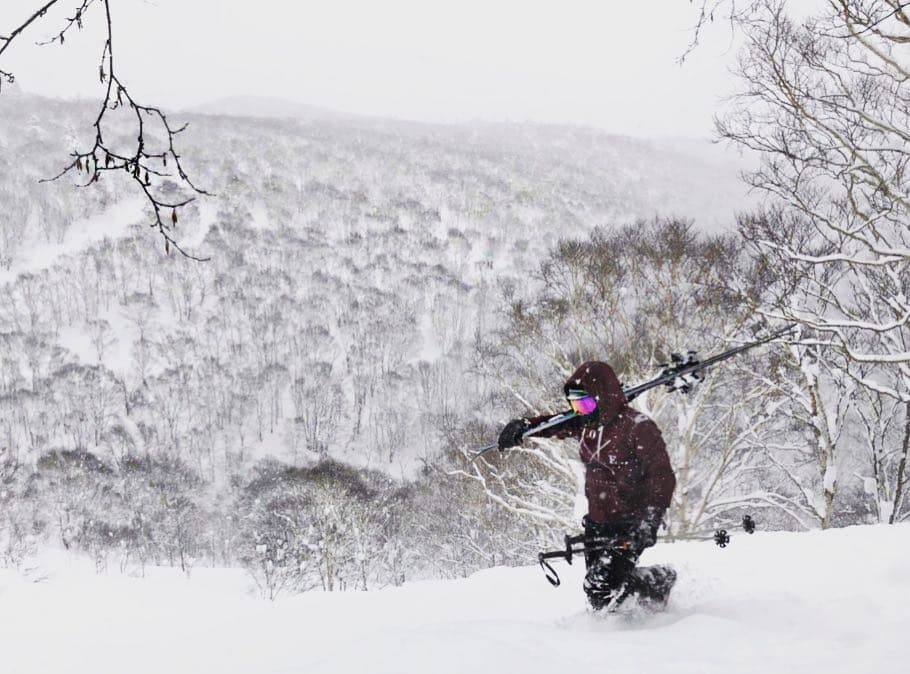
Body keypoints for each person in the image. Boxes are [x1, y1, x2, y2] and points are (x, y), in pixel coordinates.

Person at [497, 360, 677, 611]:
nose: (580, 410)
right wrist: (525, 428)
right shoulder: (584, 424)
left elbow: (662, 476)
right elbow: (555, 423)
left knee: (600, 588)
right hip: (598, 522)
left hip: (631, 523)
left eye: (586, 403)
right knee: (602, 596)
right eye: (575, 404)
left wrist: (650, 520)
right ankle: (643, 611)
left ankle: (658, 582)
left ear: (603, 397)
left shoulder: (637, 427)